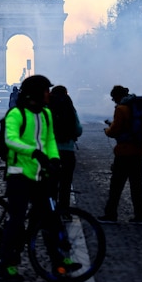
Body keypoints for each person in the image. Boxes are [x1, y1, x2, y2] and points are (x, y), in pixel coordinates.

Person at [0, 75, 79, 282]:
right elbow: (10, 139)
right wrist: (34, 153)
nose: (48, 94)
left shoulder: (46, 114)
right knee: (16, 219)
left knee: (50, 218)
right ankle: (7, 264)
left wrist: (54, 158)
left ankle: (59, 259)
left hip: (40, 174)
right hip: (19, 173)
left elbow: (50, 139)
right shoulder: (15, 114)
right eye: (45, 90)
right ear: (35, 93)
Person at [98, 85, 142, 226]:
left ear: (117, 96)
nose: (114, 101)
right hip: (138, 151)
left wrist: (107, 130)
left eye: (114, 98)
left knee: (116, 185)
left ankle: (111, 214)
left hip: (124, 152)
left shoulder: (121, 109)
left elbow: (115, 130)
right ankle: (140, 215)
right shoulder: (135, 106)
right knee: (136, 185)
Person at [47, 85, 82, 214]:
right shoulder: (70, 108)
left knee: (50, 185)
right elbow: (78, 130)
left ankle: (51, 211)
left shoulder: (47, 108)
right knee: (65, 184)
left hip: (50, 152)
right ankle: (65, 211)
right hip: (68, 152)